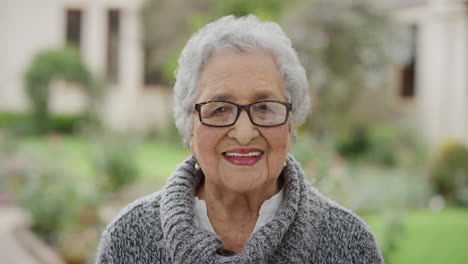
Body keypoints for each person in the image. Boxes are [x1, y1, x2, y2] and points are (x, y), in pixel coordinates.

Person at [95, 15, 383, 264]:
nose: (244, 133)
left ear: (291, 124)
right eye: (219, 109)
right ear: (189, 128)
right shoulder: (129, 238)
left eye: (265, 108)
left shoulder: (350, 244)